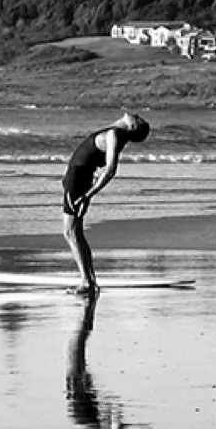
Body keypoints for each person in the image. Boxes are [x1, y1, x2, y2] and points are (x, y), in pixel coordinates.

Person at [60, 111, 149, 294]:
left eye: (138, 119)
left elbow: (110, 170)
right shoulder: (116, 131)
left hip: (79, 180)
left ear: (133, 127)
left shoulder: (114, 135)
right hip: (78, 178)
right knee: (74, 231)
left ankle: (87, 281)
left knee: (70, 231)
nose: (137, 114)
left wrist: (87, 195)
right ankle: (89, 280)